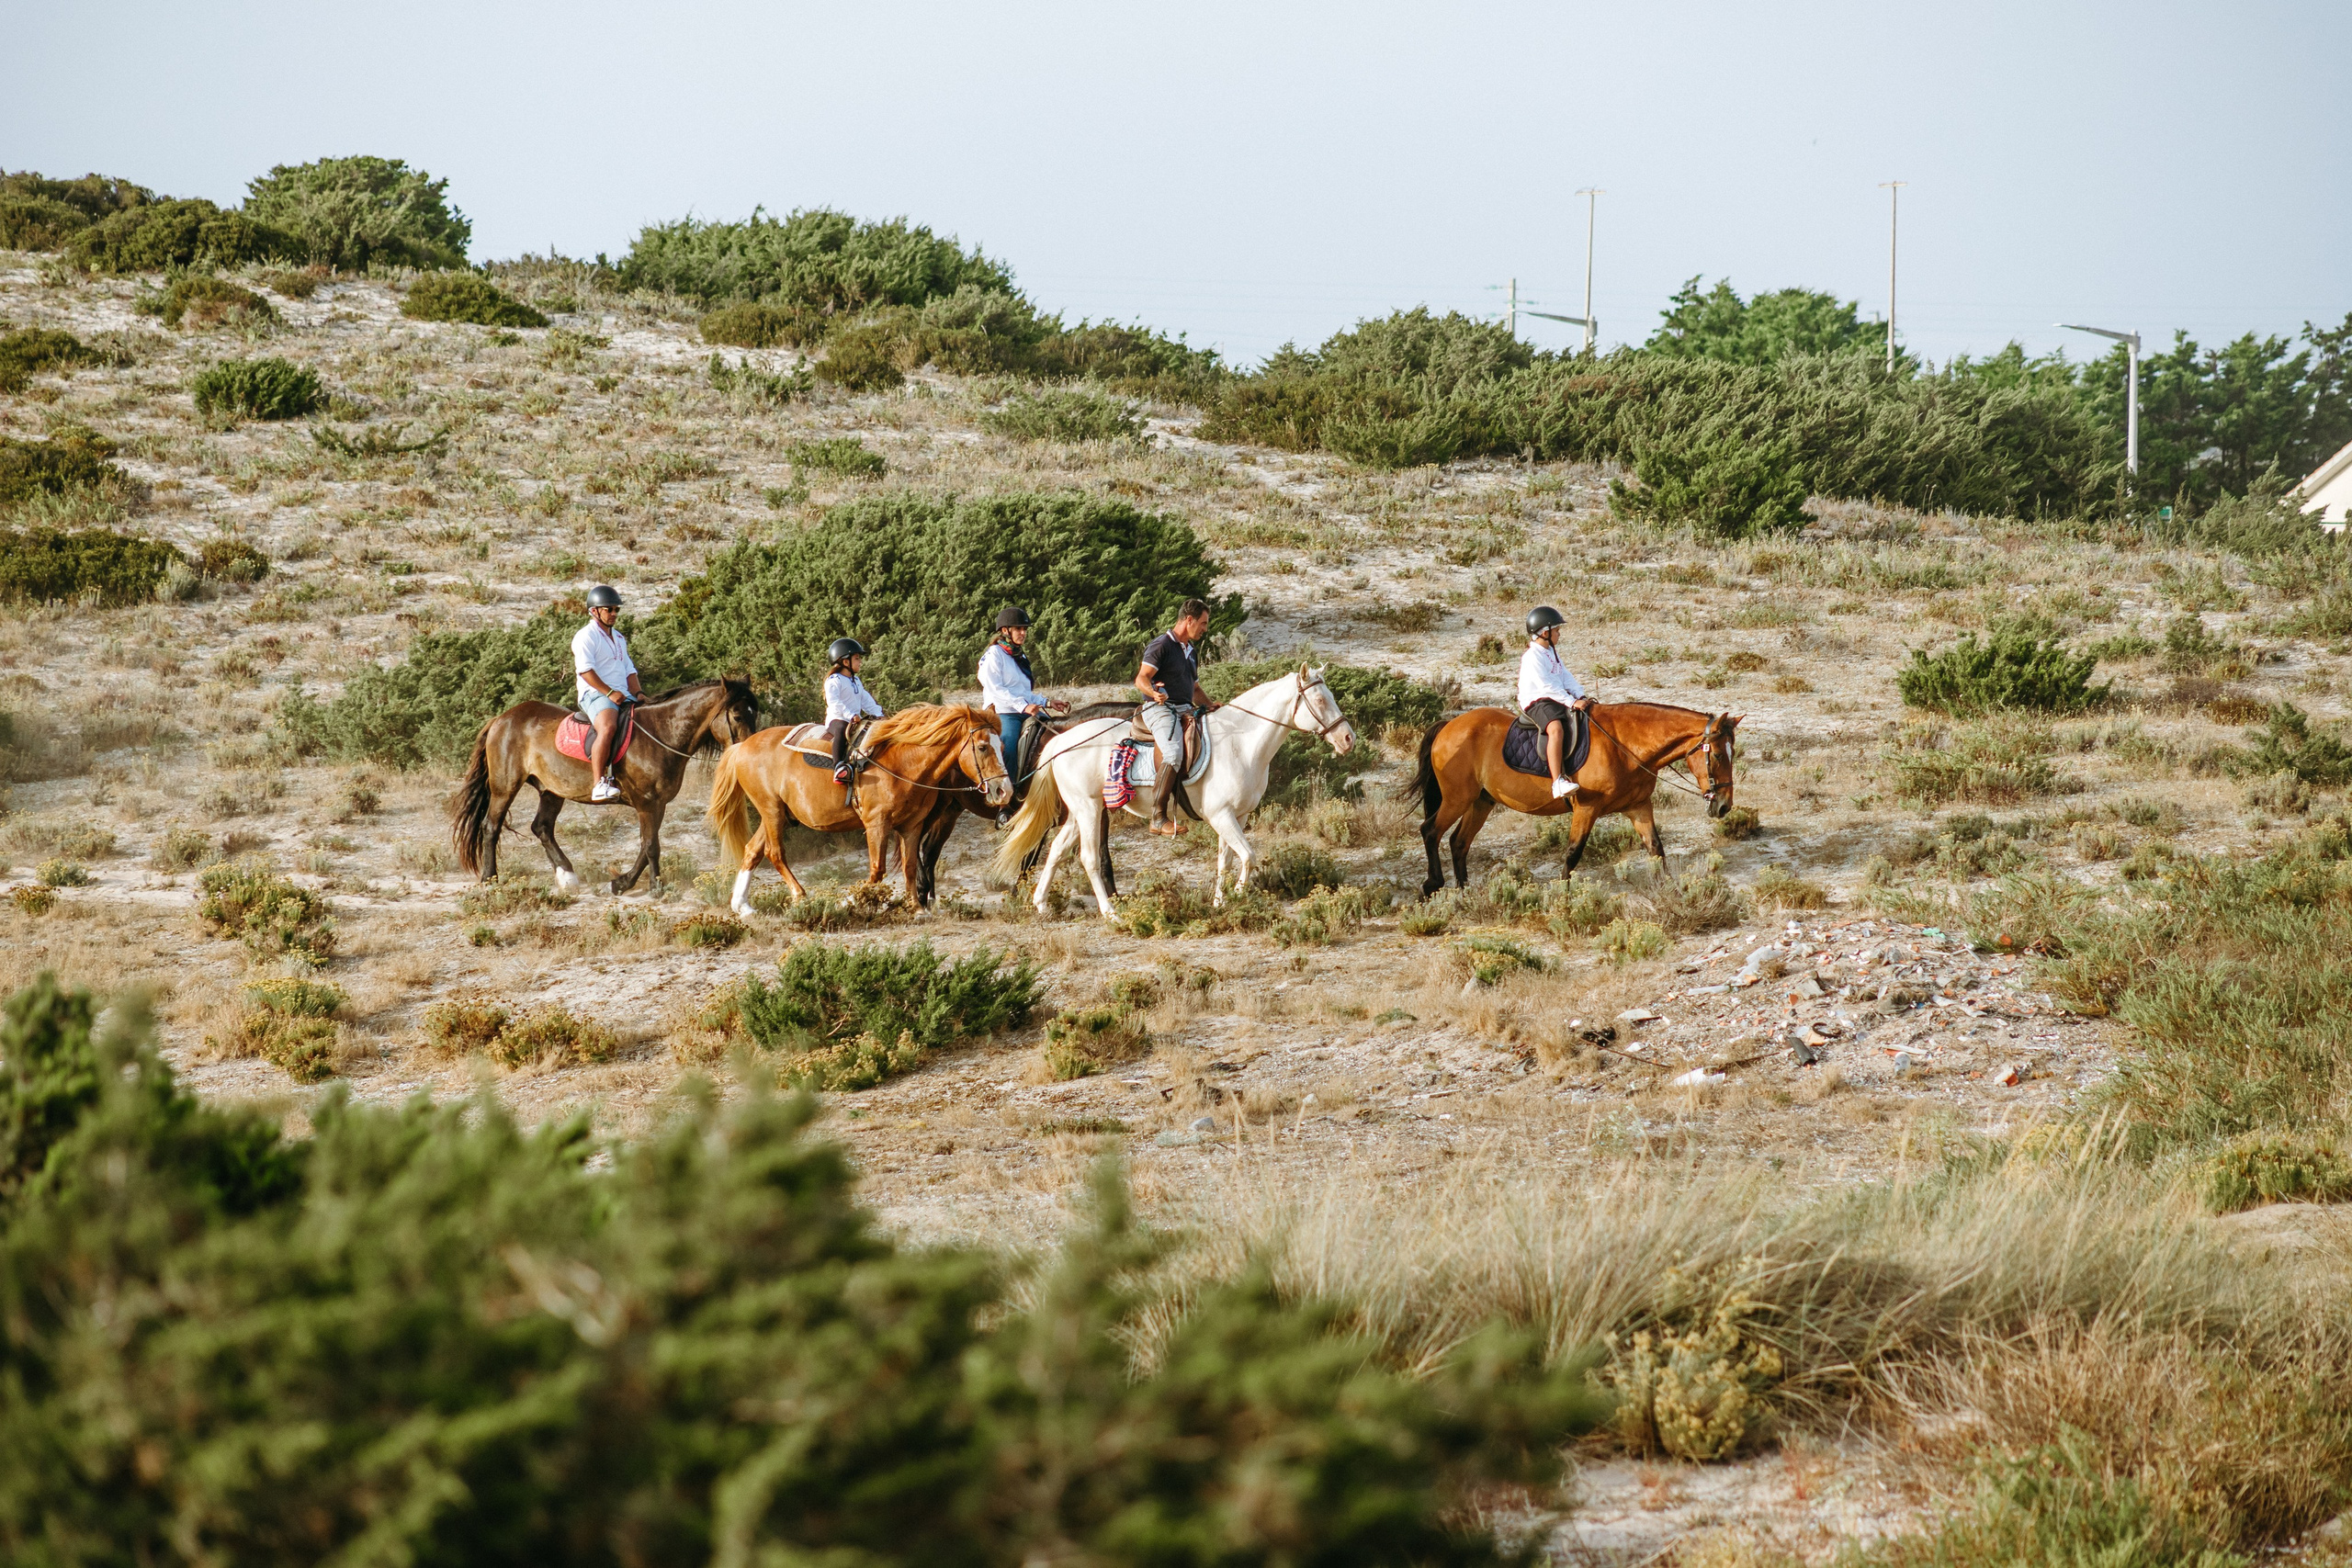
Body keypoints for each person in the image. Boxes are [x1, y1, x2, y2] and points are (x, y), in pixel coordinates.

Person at [1133, 597, 1219, 836]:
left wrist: (1211, 706)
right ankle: (1158, 817)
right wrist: (1153, 693)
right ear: (1189, 620)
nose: (1205, 628)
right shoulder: (1161, 645)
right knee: (1172, 752)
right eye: (1202, 623)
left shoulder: (1191, 650)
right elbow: (1141, 678)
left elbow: (1195, 690)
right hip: (1159, 708)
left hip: (1184, 708)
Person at [978, 605, 1067, 804]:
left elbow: (1024, 692)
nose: (1023, 633)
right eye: (1019, 629)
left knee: (1054, 735)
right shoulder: (994, 655)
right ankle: (1007, 800)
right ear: (1005, 630)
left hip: (1023, 710)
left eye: (1025, 629)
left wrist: (1048, 702)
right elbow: (995, 688)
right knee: (1008, 746)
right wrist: (1022, 706)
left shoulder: (1019, 655)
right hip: (1004, 712)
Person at [571, 584, 640, 803]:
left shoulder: (619, 638)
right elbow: (585, 671)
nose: (613, 614)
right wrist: (609, 693)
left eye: (616, 610)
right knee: (609, 726)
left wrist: (639, 694)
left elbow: (629, 670)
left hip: (621, 693)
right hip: (595, 693)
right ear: (594, 611)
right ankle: (599, 784)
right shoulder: (586, 636)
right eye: (608, 609)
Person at [1518, 604, 1594, 800]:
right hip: (1536, 701)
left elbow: (1565, 677)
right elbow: (1546, 686)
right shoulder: (1532, 656)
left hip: (1553, 698)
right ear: (1545, 632)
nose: (1559, 634)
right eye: (1557, 630)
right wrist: (1571, 702)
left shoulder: (1551, 653)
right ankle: (1557, 782)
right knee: (1556, 729)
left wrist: (1580, 695)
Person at [823, 637, 885, 789]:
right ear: (846, 662)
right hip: (838, 719)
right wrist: (850, 715)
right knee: (841, 729)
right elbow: (834, 703)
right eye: (857, 658)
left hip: (854, 720)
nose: (860, 662)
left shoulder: (856, 681)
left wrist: (880, 715)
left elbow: (867, 700)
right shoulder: (833, 680)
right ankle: (838, 767)